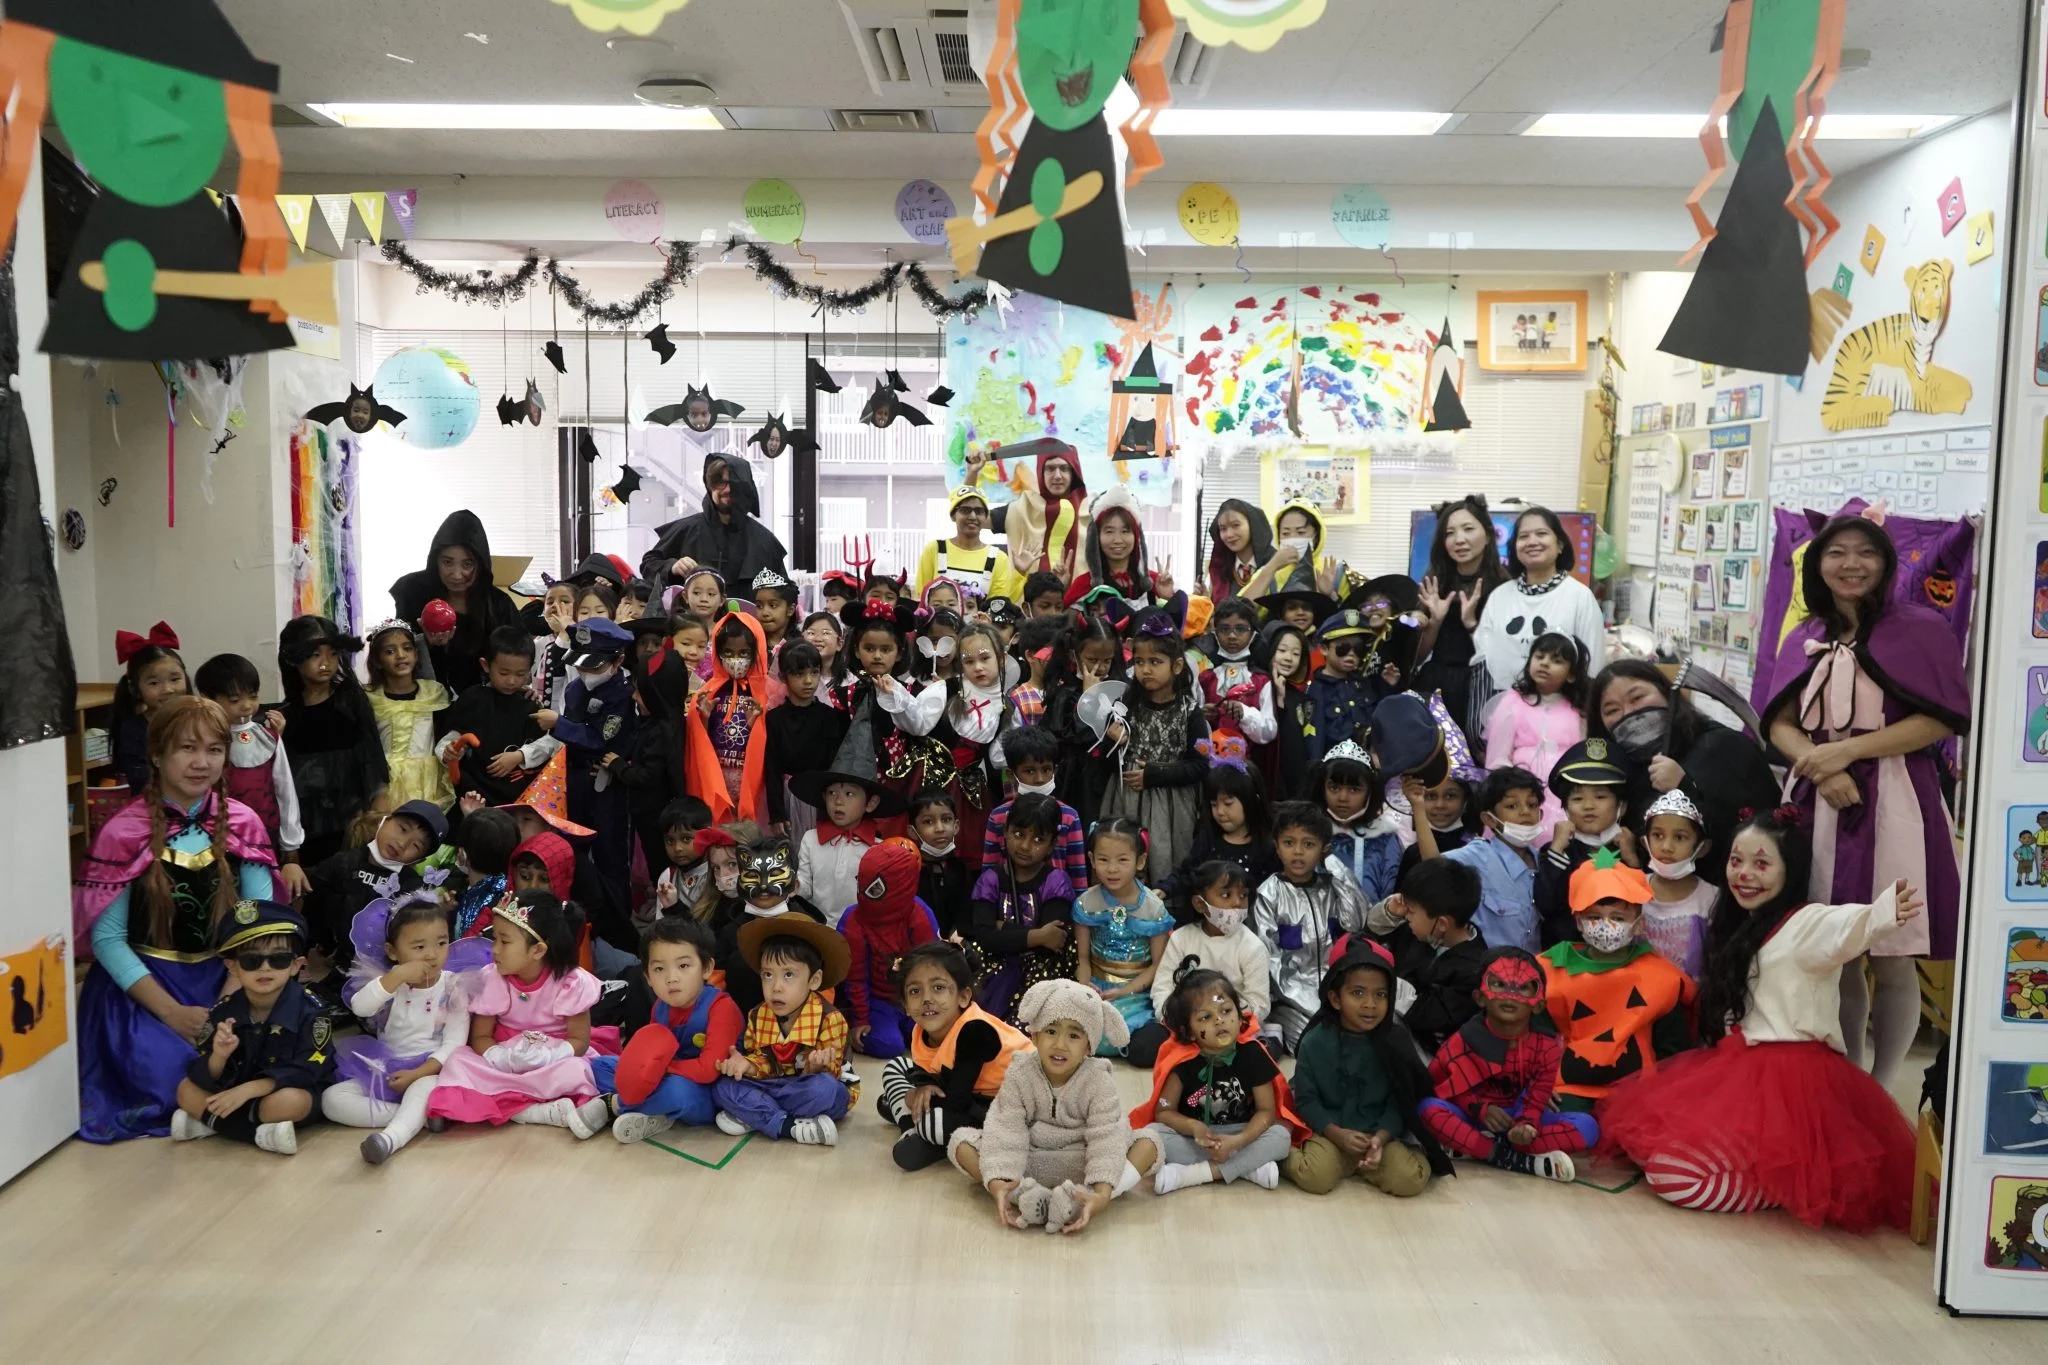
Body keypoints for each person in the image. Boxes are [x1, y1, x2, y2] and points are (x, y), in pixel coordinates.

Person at [1598, 809, 1919, 1230]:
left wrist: (1881, 913)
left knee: (1675, 1178)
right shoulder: (1740, 925)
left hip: (1796, 1081)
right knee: (1649, 1150)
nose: (1745, 874)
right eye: (1737, 861)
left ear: (1791, 870)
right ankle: (1772, 1173)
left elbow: (1844, 926)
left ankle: (1781, 1180)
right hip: (1740, 1066)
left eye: (1762, 864)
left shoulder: (1807, 922)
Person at [1761, 515, 1968, 1090]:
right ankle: (1848, 1077)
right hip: (1819, 802)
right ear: (1818, 564)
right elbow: (1778, 723)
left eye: (1865, 553)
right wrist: (1822, 765)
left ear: (1886, 563)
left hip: (1898, 800)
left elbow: (1940, 721)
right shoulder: (1805, 632)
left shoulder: (1921, 628)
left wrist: (1847, 752)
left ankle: (1881, 1086)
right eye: (1837, 553)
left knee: (1893, 951)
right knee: (1836, 949)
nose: (1851, 564)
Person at [74, 698, 279, 1143]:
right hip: (143, 991)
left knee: (270, 1055)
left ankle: (221, 1114)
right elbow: (108, 940)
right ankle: (238, 1119)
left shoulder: (243, 823)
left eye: (214, 750)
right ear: (156, 754)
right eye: (187, 748)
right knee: (174, 1072)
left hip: (229, 980)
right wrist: (171, 1013)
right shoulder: (122, 831)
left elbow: (257, 929)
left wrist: (225, 1006)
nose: (201, 763)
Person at [947, 979, 1161, 1233]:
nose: (1060, 1044)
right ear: (1035, 1035)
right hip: (1030, 1160)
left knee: (1150, 1144)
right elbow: (1005, 1128)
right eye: (1051, 1031)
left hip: (1082, 1162)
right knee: (961, 1143)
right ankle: (1017, 1194)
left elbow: (1106, 1136)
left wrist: (1103, 1190)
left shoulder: (1099, 1080)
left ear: (1089, 1046)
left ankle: (1091, 1199)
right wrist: (998, 1180)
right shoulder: (1020, 1072)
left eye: (1074, 1035)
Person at [425, 892, 612, 1138]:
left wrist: (550, 1056)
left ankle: (516, 1109)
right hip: (504, 1056)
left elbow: (579, 1041)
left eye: (505, 941)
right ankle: (537, 1110)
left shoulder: (570, 982)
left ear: (538, 950)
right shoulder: (492, 977)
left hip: (552, 1059)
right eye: (494, 938)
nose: (495, 949)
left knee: (577, 1071)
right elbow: (480, 1036)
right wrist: (500, 1057)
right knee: (458, 1061)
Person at [1282, 941, 1452, 1197]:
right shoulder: (1315, 1042)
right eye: (1358, 993)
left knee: (1411, 1178)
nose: (1370, 1004)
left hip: (1377, 1136)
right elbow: (1306, 1101)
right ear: (1335, 999)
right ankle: (1279, 1155)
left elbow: (1401, 1101)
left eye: (1380, 995)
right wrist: (1337, 1135)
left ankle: (1373, 1161)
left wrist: (1380, 1139)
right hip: (1330, 1134)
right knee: (1316, 1176)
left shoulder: (1394, 1042)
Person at [1589, 660, 1778, 884]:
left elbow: (1762, 830)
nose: (1629, 713)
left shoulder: (1724, 746)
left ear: (1666, 692)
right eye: (1612, 710)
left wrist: (1685, 786)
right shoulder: (1615, 773)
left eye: (1637, 697)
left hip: (1729, 892)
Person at [1416, 946, 1591, 1182]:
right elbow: (1446, 1088)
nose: (1510, 995)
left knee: (1588, 1127)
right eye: (1498, 984)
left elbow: (1536, 1099)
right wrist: (1481, 1109)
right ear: (1480, 997)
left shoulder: (1547, 1046)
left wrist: (1526, 1126)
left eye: (1523, 987)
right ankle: (1511, 1157)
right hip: (1473, 1115)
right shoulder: (1463, 1039)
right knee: (1427, 1109)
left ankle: (1480, 1147)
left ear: (1538, 1004)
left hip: (1516, 1116)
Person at [170, 902, 331, 1155]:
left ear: (296, 965)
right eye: (251, 960)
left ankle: (214, 1124)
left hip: (276, 1093)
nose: (265, 967)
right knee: (185, 1089)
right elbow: (202, 1069)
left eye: (278, 959)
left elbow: (309, 1069)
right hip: (234, 1094)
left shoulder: (312, 1011)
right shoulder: (223, 1012)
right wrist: (219, 1057)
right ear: (232, 967)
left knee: (293, 1101)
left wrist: (250, 1089)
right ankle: (258, 1133)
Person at [322, 895, 473, 1163]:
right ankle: (415, 1116)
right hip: (385, 1067)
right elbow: (360, 1007)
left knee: (423, 1088)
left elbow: (454, 1045)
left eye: (441, 943)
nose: (432, 954)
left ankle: (391, 1138)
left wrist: (417, 1074)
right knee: (332, 1099)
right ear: (392, 951)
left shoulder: (453, 987)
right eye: (419, 947)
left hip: (431, 1071)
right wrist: (397, 976)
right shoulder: (388, 983)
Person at [1542, 850, 1695, 1113]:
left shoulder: (1662, 978)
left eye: (1618, 918)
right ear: (1579, 922)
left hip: (1639, 1090)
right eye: (1594, 917)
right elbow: (1535, 1036)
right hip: (1567, 1088)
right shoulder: (1549, 970)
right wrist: (1538, 1084)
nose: (1606, 926)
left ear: (1638, 925)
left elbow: (1673, 1049)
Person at [1135, 966, 1298, 1194]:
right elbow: (1164, 1111)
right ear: (1189, 1031)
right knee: (1154, 1133)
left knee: (1281, 1134)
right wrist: (1193, 1127)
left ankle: (1194, 1174)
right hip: (1198, 1140)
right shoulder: (1182, 1062)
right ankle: (1247, 1168)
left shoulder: (1253, 1053)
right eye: (1206, 1017)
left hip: (1242, 1133)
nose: (1220, 1021)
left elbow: (1266, 1111)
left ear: (1239, 1015)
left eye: (1226, 1010)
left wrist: (1239, 1141)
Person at [876, 942, 1033, 1171]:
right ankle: (915, 1127)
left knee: (933, 1120)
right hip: (969, 1093)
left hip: (1010, 1105)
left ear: (963, 997)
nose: (926, 999)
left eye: (938, 988)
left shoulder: (975, 1032)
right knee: (895, 1066)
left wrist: (912, 1099)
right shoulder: (921, 1031)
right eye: (915, 991)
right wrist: (922, 1088)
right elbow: (925, 1071)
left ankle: (918, 1127)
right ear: (906, 1006)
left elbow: (957, 1101)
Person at [591, 916, 744, 1145]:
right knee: (600, 1065)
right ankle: (655, 1114)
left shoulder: (721, 1008)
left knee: (676, 1091)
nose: (671, 978)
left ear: (706, 968)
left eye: (683, 966)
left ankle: (614, 1105)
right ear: (648, 977)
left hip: (707, 1093)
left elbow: (708, 1071)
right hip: (666, 1075)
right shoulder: (660, 1007)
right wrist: (643, 1069)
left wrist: (658, 1069)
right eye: (660, 969)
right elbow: (651, 1052)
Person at [712, 917, 856, 1146]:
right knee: (723, 1088)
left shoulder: (830, 1019)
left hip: (812, 1087)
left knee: (824, 1089)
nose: (776, 987)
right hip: (775, 1084)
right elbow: (765, 1062)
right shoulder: (758, 1015)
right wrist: (747, 1065)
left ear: (814, 980)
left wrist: (817, 1066)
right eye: (768, 975)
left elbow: (832, 1074)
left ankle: (758, 1114)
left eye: (788, 975)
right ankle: (789, 1126)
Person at [539, 620, 638, 928]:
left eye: (593, 666)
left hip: (606, 784)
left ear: (618, 661)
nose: (585, 672)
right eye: (581, 665)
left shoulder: (622, 695)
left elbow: (601, 738)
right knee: (573, 853)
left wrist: (559, 724)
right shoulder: (575, 689)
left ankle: (617, 925)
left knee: (610, 857)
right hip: (575, 780)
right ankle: (575, 920)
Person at [1253, 801, 1369, 1052]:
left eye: (1308, 844)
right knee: (1317, 1046)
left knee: (1366, 1037)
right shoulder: (1268, 895)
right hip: (1291, 1002)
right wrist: (1314, 1005)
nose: (1298, 852)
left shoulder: (1332, 887)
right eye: (1289, 843)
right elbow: (1270, 963)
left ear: (1323, 848)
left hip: (1338, 992)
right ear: (1277, 846)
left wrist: (1333, 864)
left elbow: (1356, 921)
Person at [1097, 607, 1206, 875]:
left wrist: (1156, 773)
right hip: (1126, 800)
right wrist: (1111, 742)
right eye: (1139, 661)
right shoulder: (1125, 706)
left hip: (1173, 805)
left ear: (1176, 666)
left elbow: (1200, 766)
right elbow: (1106, 764)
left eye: (1155, 662)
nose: (1145, 669)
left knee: (1166, 861)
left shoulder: (1190, 711)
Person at [1131, 861, 1270, 1068]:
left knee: (1254, 1055)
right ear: (1199, 903)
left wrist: (1223, 1021)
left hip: (1231, 1027)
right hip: (1186, 1025)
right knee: (1142, 1048)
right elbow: (1162, 988)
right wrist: (1181, 1023)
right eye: (1226, 895)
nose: (1237, 903)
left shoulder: (1252, 946)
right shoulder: (1181, 938)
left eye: (1243, 895)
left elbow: (1260, 1003)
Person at [1472, 506, 1604, 722]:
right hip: (1506, 714)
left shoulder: (1580, 597)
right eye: (1523, 536)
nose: (1532, 541)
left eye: (1541, 534)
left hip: (1561, 717)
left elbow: (1592, 666)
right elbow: (1484, 660)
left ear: (1560, 544)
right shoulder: (1500, 596)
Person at [275, 616, 387, 867]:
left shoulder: (351, 702)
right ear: (293, 658)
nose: (326, 662)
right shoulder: (286, 715)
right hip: (302, 826)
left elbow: (373, 763)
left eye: (333, 654)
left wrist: (376, 817)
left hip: (349, 821)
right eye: (315, 655)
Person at [194, 653, 306, 898]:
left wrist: (290, 846)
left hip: (266, 835)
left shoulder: (267, 737)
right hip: (218, 838)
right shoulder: (203, 739)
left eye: (253, 696)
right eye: (235, 699)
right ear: (208, 698)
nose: (246, 706)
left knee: (261, 900)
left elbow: (285, 791)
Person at [966, 793, 1078, 1025]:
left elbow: (1053, 942)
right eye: (1019, 834)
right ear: (1005, 832)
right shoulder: (990, 880)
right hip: (992, 965)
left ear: (1052, 845)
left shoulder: (1056, 881)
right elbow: (985, 938)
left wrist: (1001, 927)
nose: (1026, 846)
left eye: (1038, 839)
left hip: (1042, 970)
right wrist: (1037, 935)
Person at [303, 799, 442, 977]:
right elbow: (310, 890)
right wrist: (293, 868)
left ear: (419, 860)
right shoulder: (344, 862)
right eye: (403, 829)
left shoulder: (413, 888)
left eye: (416, 845)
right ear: (385, 820)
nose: (402, 843)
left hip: (380, 977)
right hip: (329, 967)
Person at [389, 510, 521, 694]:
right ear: (435, 561)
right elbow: (392, 652)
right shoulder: (412, 592)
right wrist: (423, 643)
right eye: (447, 562)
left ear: (480, 565)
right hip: (422, 698)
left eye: (467, 564)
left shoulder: (498, 604)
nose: (457, 575)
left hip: (483, 700)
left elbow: (518, 655)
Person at [1070, 818, 1173, 1053]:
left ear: (1140, 861)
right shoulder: (1086, 903)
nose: (1112, 869)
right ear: (1091, 860)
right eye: (1103, 860)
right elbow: (1083, 959)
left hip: (1137, 992)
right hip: (1096, 988)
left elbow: (1158, 965)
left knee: (1141, 1043)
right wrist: (1086, 985)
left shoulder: (1153, 908)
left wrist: (1125, 991)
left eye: (1122, 860)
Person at [1412, 496, 1510, 738]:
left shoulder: (1505, 588)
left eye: (1468, 529)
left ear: (1488, 535)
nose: (1459, 539)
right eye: (1450, 533)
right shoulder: (1435, 582)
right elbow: (1417, 657)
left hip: (1483, 688)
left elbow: (1506, 660)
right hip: (1436, 685)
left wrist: (1471, 625)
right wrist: (1434, 622)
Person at [437, 628, 558, 811]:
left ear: (530, 668)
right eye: (504, 673)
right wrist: (448, 752)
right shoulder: (473, 699)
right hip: (474, 796)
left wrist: (519, 756)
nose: (511, 681)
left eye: (520, 674)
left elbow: (549, 744)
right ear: (486, 665)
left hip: (518, 800)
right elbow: (453, 736)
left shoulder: (530, 703)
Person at [840, 840, 941, 1059]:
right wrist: (861, 1018)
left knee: (935, 1037)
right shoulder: (853, 921)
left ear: (900, 888)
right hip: (877, 1002)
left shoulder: (920, 915)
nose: (864, 895)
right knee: (890, 1045)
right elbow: (855, 978)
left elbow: (933, 969)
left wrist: (928, 1009)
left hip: (915, 998)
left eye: (874, 889)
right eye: (861, 884)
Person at [1534, 738, 1638, 947]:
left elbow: (1646, 907)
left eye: (1600, 797)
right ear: (1565, 808)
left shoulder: (1632, 850)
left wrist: (1633, 861)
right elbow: (1545, 904)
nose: (1588, 806)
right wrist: (1556, 850)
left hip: (1623, 955)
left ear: (1622, 806)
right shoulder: (1556, 852)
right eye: (1577, 799)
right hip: (1568, 954)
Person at [1382, 857, 1489, 1055]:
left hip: (1433, 1058)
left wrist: (1383, 984)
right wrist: (1388, 914)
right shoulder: (1418, 934)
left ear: (1442, 924)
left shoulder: (1473, 971)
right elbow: (1371, 941)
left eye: (1411, 912)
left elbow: (1431, 1017)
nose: (1406, 916)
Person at [1484, 632, 1589, 832]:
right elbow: (1497, 757)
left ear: (1572, 674)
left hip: (1564, 793)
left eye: (1556, 661)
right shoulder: (1512, 703)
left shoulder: (1579, 712)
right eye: (1539, 657)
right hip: (1521, 795)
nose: (1545, 663)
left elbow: (1584, 755)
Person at [641, 451, 789, 591]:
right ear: (709, 485)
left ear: (745, 487)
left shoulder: (764, 541)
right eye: (719, 482)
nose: (727, 489)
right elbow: (649, 564)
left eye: (733, 483)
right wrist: (672, 567)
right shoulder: (686, 529)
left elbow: (784, 592)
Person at [683, 612, 773, 826]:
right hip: (717, 781)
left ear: (756, 652)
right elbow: (698, 744)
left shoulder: (767, 694)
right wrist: (703, 718)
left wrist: (755, 725)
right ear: (717, 652)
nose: (735, 660)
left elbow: (770, 743)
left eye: (744, 653)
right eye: (728, 653)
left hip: (752, 784)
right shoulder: (708, 692)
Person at [1161, 763, 1276, 925]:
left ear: (1251, 800)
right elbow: (1186, 873)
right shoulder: (1207, 841)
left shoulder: (1267, 848)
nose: (1220, 812)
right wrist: (1164, 889)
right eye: (1214, 805)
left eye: (1228, 803)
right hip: (1206, 927)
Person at [1444, 767, 1544, 952]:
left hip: (1533, 966)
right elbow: (1434, 869)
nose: (1525, 812)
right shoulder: (1475, 856)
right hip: (1485, 966)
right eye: (1512, 806)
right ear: (1489, 819)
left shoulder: (1545, 860)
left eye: (1532, 804)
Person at [980, 723, 1089, 888]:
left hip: (1058, 900)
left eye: (1046, 770)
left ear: (1055, 771)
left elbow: (1077, 875)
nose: (1039, 779)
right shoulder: (999, 817)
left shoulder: (1069, 817)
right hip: (1010, 900)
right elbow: (989, 874)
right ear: (1011, 774)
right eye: (1029, 771)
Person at [964, 437, 1088, 579]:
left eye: (1064, 469)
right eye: (1050, 469)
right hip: (1024, 593)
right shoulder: (1022, 508)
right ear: (1041, 472)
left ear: (1074, 473)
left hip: (1081, 593)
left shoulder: (1091, 511)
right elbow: (968, 517)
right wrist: (972, 473)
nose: (1057, 476)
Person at [363, 620, 453, 812]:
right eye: (390, 651)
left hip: (427, 780)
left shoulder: (433, 692)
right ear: (377, 660)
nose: (401, 655)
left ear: (416, 654)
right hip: (384, 783)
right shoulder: (369, 697)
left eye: (407, 648)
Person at [764, 640, 849, 843]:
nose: (808, 681)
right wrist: (777, 814)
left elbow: (835, 764)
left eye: (814, 672)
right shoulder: (774, 718)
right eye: (799, 674)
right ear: (783, 677)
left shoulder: (831, 716)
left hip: (822, 796)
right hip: (789, 795)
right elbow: (772, 769)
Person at [791, 767, 891, 924]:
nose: (838, 801)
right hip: (818, 928)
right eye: (831, 793)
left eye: (849, 794)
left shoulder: (880, 849)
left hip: (860, 930)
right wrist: (792, 885)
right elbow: (805, 887)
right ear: (824, 797)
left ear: (871, 803)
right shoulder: (811, 839)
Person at [1640, 790, 1717, 980]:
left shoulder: (1712, 898)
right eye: (1658, 835)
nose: (1666, 847)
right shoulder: (1631, 888)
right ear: (1645, 841)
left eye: (1680, 837)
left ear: (1702, 848)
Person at [1313, 740, 1401, 904]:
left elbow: (1391, 898)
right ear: (1322, 789)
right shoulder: (1307, 833)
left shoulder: (1384, 839)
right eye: (1334, 788)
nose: (1343, 798)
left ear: (1370, 793)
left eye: (1354, 789)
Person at [1063, 487, 1174, 609]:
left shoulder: (1154, 582)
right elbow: (1061, 618)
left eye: (1125, 531)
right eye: (1109, 531)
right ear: (1096, 537)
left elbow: (1177, 619)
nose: (1117, 540)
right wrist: (1060, 587)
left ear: (1137, 537)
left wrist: (1168, 598)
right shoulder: (1083, 584)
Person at [109, 621, 187, 792]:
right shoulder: (133, 729)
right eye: (154, 683)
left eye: (175, 679)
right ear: (135, 689)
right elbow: (139, 778)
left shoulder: (198, 721)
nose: (168, 689)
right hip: (152, 801)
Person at [1199, 596, 1278, 755]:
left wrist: (1245, 713)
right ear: (1215, 633)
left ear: (1253, 634)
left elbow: (1269, 732)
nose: (1232, 636)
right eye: (1224, 629)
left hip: (1250, 762)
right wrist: (1201, 716)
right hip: (1209, 761)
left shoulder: (1262, 681)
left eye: (1240, 629)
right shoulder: (1205, 679)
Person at [917, 486, 1021, 604]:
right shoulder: (934, 550)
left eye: (979, 511)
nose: (972, 516)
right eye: (965, 510)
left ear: (985, 517)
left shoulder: (999, 558)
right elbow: (921, 598)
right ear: (953, 515)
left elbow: (998, 604)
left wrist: (1020, 573)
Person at [1305, 610, 1376, 764]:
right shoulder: (1316, 690)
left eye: (1359, 649)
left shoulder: (1364, 684)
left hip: (1368, 766)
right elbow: (1315, 741)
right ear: (1324, 649)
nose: (1351, 654)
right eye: (1342, 648)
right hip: (1335, 768)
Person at [1246, 501, 1346, 603]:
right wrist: (1271, 568)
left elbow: (1352, 611)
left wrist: (1331, 595)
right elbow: (1240, 609)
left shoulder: (1337, 571)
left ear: (1316, 536)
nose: (1293, 538)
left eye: (1301, 532)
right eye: (1285, 533)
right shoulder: (1269, 572)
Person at [1256, 621, 1313, 799]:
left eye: (1296, 654)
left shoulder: (1300, 698)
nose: (1289, 658)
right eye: (1282, 650)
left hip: (1295, 789)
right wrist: (1278, 702)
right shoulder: (1255, 688)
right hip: (1266, 785)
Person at [907, 789, 972, 936]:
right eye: (928, 822)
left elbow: (966, 914)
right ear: (912, 831)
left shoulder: (960, 868)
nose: (940, 829)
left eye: (946, 819)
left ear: (956, 826)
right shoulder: (909, 872)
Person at [1397, 772, 1477, 882]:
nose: (1440, 805)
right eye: (1431, 796)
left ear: (1465, 802)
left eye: (1450, 796)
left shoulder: (1477, 849)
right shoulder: (1412, 853)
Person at [1205, 498, 1276, 602]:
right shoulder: (1219, 571)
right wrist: (1206, 600)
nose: (1229, 534)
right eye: (1223, 528)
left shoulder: (1276, 562)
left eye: (1236, 525)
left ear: (1252, 525)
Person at [751, 567, 801, 666]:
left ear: (790, 610)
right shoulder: (750, 644)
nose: (764, 612)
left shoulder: (801, 646)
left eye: (772, 605)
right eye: (759, 606)